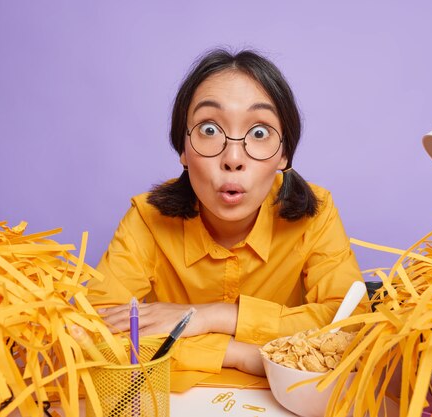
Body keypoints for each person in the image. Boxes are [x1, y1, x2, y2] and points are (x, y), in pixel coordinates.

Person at [87, 48, 365, 376]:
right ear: (183, 149)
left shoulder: (316, 215)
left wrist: (212, 315)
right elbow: (91, 333)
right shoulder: (148, 219)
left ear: (284, 155)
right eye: (209, 129)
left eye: (259, 133)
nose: (233, 157)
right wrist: (238, 354)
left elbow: (351, 328)